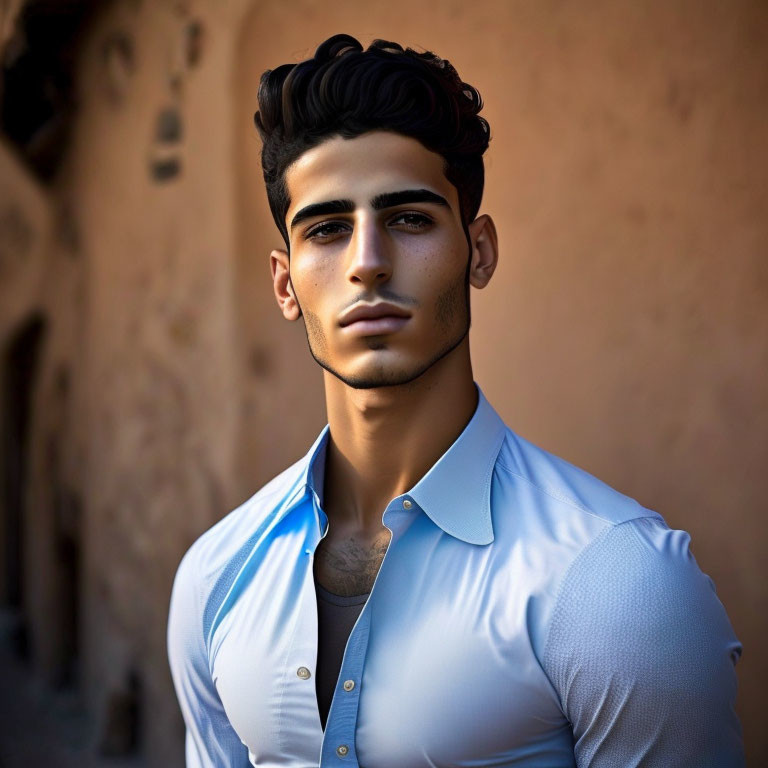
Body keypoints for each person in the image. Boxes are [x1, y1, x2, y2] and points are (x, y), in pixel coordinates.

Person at [167, 33, 744, 767]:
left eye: (408, 219)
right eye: (327, 229)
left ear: (479, 252)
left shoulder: (617, 588)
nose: (367, 263)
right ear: (286, 283)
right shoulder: (216, 575)